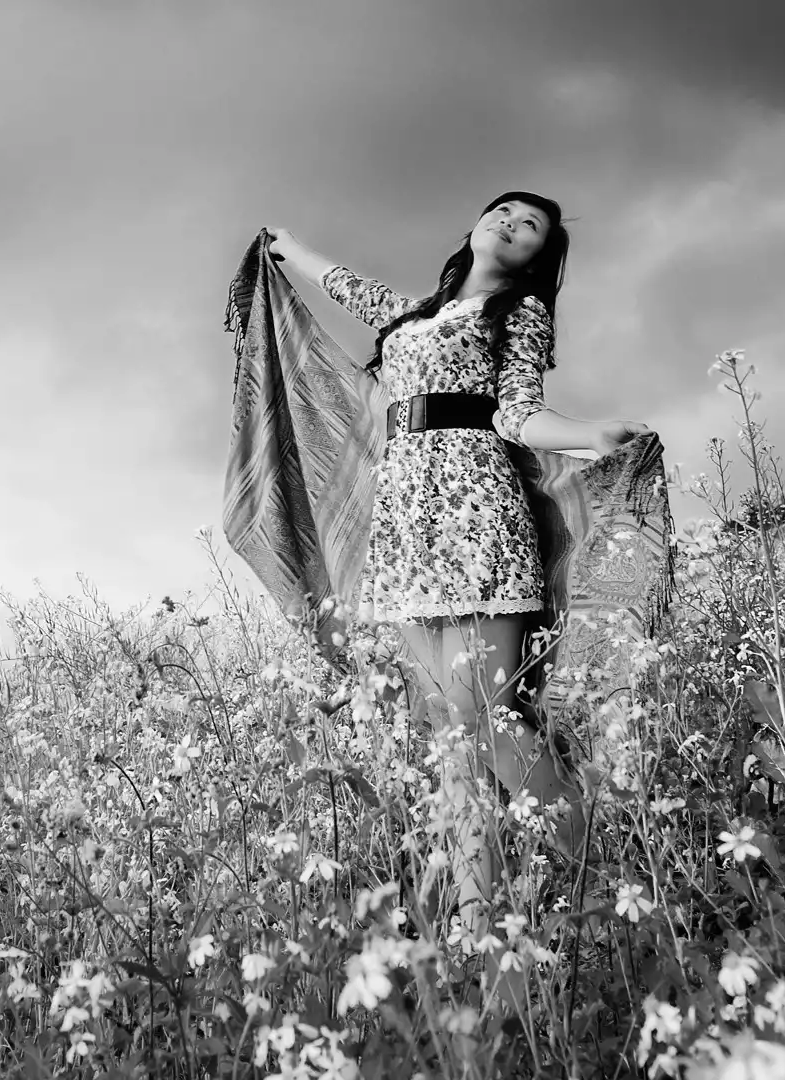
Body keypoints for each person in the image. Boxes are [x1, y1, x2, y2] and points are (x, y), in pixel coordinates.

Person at [264, 192, 650, 936]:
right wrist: (289, 249)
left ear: (538, 257)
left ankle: (602, 867)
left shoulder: (520, 315)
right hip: (408, 513)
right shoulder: (415, 315)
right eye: (502, 211)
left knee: (486, 712)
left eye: (529, 225)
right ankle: (474, 923)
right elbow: (349, 287)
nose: (510, 222)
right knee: (451, 728)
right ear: (475, 226)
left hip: (474, 500)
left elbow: (516, 412)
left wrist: (588, 433)